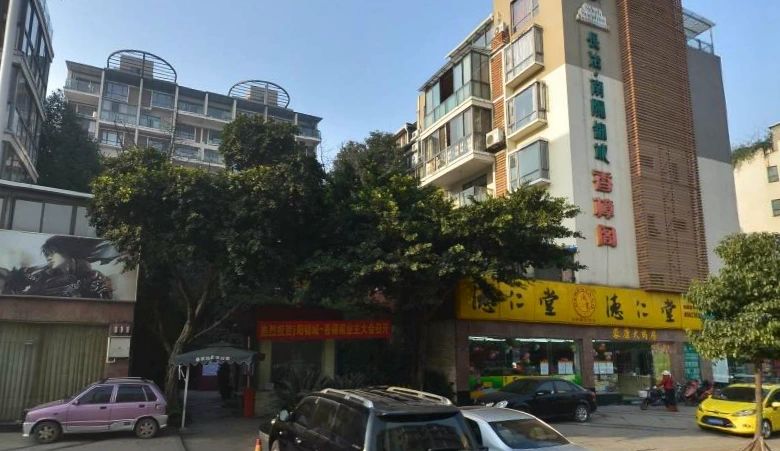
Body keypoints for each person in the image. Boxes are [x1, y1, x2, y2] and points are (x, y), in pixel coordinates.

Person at [1, 236, 113, 299]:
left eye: (52, 253)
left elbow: (103, 305)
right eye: (46, 254)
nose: (48, 257)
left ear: (66, 252)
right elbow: (14, 279)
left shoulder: (92, 277)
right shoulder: (40, 273)